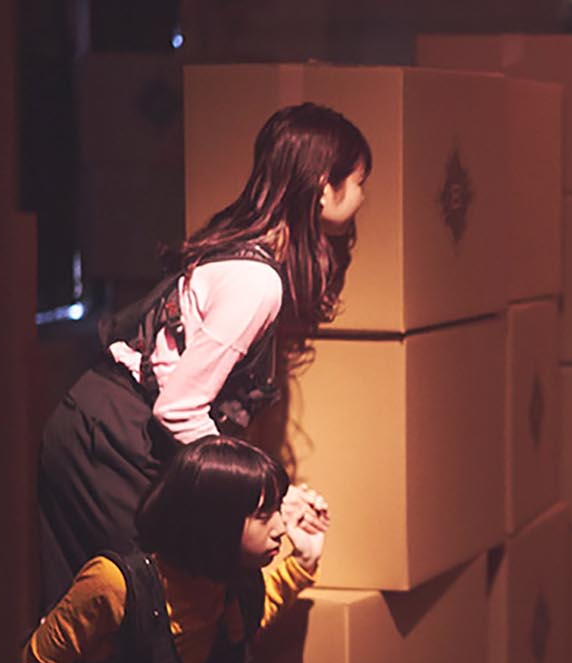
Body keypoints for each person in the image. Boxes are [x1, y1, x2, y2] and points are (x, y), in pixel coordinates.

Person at [37, 103, 371, 610]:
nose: (364, 196)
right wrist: (265, 495)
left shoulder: (252, 258)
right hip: (109, 437)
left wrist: (273, 497)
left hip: (111, 427)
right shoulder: (257, 282)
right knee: (139, 615)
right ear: (324, 187)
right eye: (360, 182)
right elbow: (178, 409)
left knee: (130, 616)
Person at [21, 435, 332, 663]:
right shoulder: (114, 582)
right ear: (215, 521)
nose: (280, 528)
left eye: (277, 509)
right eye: (263, 515)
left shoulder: (233, 582)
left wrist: (304, 560)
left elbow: (254, 615)